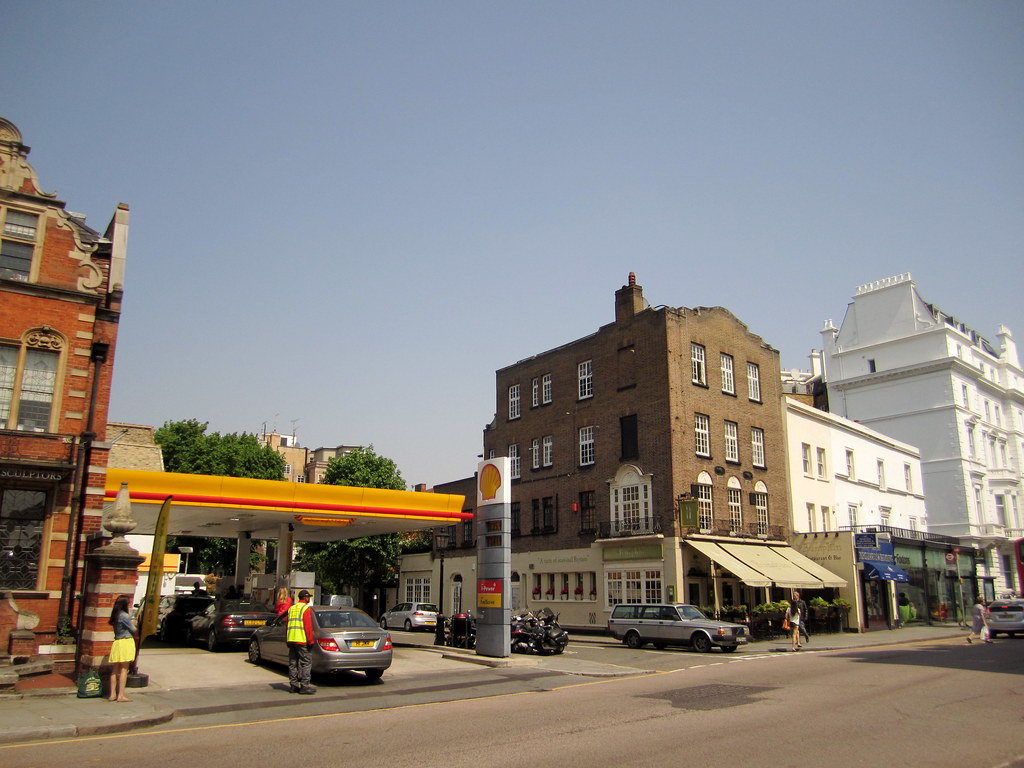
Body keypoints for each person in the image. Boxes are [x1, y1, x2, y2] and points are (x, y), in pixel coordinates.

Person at [286, 589, 316, 694]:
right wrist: (310, 641)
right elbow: (308, 627)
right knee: (306, 663)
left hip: (291, 639)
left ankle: (293, 685)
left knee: (293, 663)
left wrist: (287, 639)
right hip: (301, 640)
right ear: (305, 598)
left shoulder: (292, 609)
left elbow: (288, 625)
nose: (310, 598)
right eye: (309, 597)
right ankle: (304, 686)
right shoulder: (305, 608)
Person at [107, 596, 137, 702]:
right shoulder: (124, 616)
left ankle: (112, 694)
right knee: (124, 670)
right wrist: (134, 623)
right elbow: (133, 629)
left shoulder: (115, 615)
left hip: (117, 642)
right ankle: (121, 695)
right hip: (126, 641)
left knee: (115, 669)